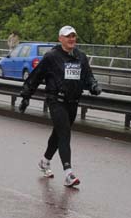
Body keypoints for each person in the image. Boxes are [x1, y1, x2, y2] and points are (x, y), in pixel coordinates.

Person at [18, 25, 102, 187]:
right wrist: (26, 96)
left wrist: (94, 86)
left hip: (73, 102)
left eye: (73, 36)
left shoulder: (81, 57)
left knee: (58, 134)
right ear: (60, 39)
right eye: (68, 36)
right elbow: (35, 76)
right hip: (56, 100)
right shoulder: (52, 57)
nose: (71, 39)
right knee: (64, 133)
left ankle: (44, 161)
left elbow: (88, 77)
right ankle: (68, 173)